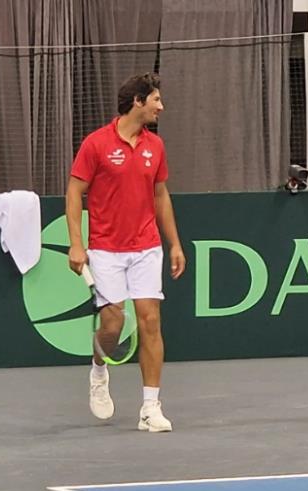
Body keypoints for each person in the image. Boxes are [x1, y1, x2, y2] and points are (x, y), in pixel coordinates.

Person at [66, 72, 186, 432]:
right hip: (106, 249)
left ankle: (150, 407)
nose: (161, 107)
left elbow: (160, 195)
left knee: (150, 321)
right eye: (156, 100)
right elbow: (74, 192)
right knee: (113, 325)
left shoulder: (155, 146)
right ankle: (99, 368)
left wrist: (174, 243)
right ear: (137, 101)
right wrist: (76, 243)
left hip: (146, 247)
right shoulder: (96, 144)